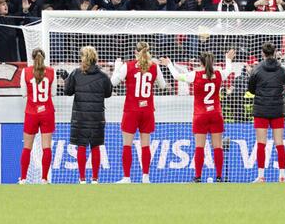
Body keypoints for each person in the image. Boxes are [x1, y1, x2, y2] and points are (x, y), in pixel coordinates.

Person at [163, 50, 236, 183]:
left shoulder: (194, 75)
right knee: (218, 146)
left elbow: (177, 76)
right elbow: (229, 69)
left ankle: (197, 177)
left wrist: (169, 64)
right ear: (212, 62)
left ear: (200, 62)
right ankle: (219, 177)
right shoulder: (219, 74)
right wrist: (228, 59)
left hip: (200, 115)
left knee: (199, 147)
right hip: (216, 114)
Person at [111, 42, 167, 184]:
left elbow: (112, 82)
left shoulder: (128, 66)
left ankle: (127, 177)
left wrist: (117, 67)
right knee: (145, 144)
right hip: (147, 110)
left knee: (127, 145)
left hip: (131, 110)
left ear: (135, 52)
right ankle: (146, 176)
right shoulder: (154, 67)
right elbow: (163, 85)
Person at [66, 46, 113, 184]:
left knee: (81, 146)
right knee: (95, 146)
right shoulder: (103, 76)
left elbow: (68, 91)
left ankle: (81, 179)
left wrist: (66, 78)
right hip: (97, 117)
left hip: (80, 117)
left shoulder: (76, 73)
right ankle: (95, 179)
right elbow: (108, 93)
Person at [247, 42, 285, 182]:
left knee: (261, 143)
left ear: (262, 53)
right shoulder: (283, 69)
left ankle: (261, 176)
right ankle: (282, 176)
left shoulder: (256, 69)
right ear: (275, 52)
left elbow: (251, 90)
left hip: (261, 109)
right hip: (278, 108)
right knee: (279, 143)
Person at [19, 48, 55, 184]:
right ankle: (44, 179)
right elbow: (53, 93)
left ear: (32, 58)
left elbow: (23, 93)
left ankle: (23, 179)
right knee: (46, 147)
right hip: (47, 112)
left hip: (31, 112)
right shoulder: (51, 71)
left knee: (27, 147)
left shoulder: (26, 71)